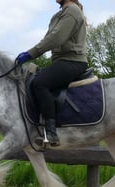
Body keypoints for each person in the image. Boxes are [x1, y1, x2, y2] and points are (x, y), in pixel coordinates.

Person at [15, 0, 88, 147]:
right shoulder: (58, 15)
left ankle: (51, 132)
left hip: (73, 61)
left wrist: (30, 54)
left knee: (40, 83)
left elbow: (56, 38)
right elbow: (49, 39)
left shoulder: (73, 11)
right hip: (61, 62)